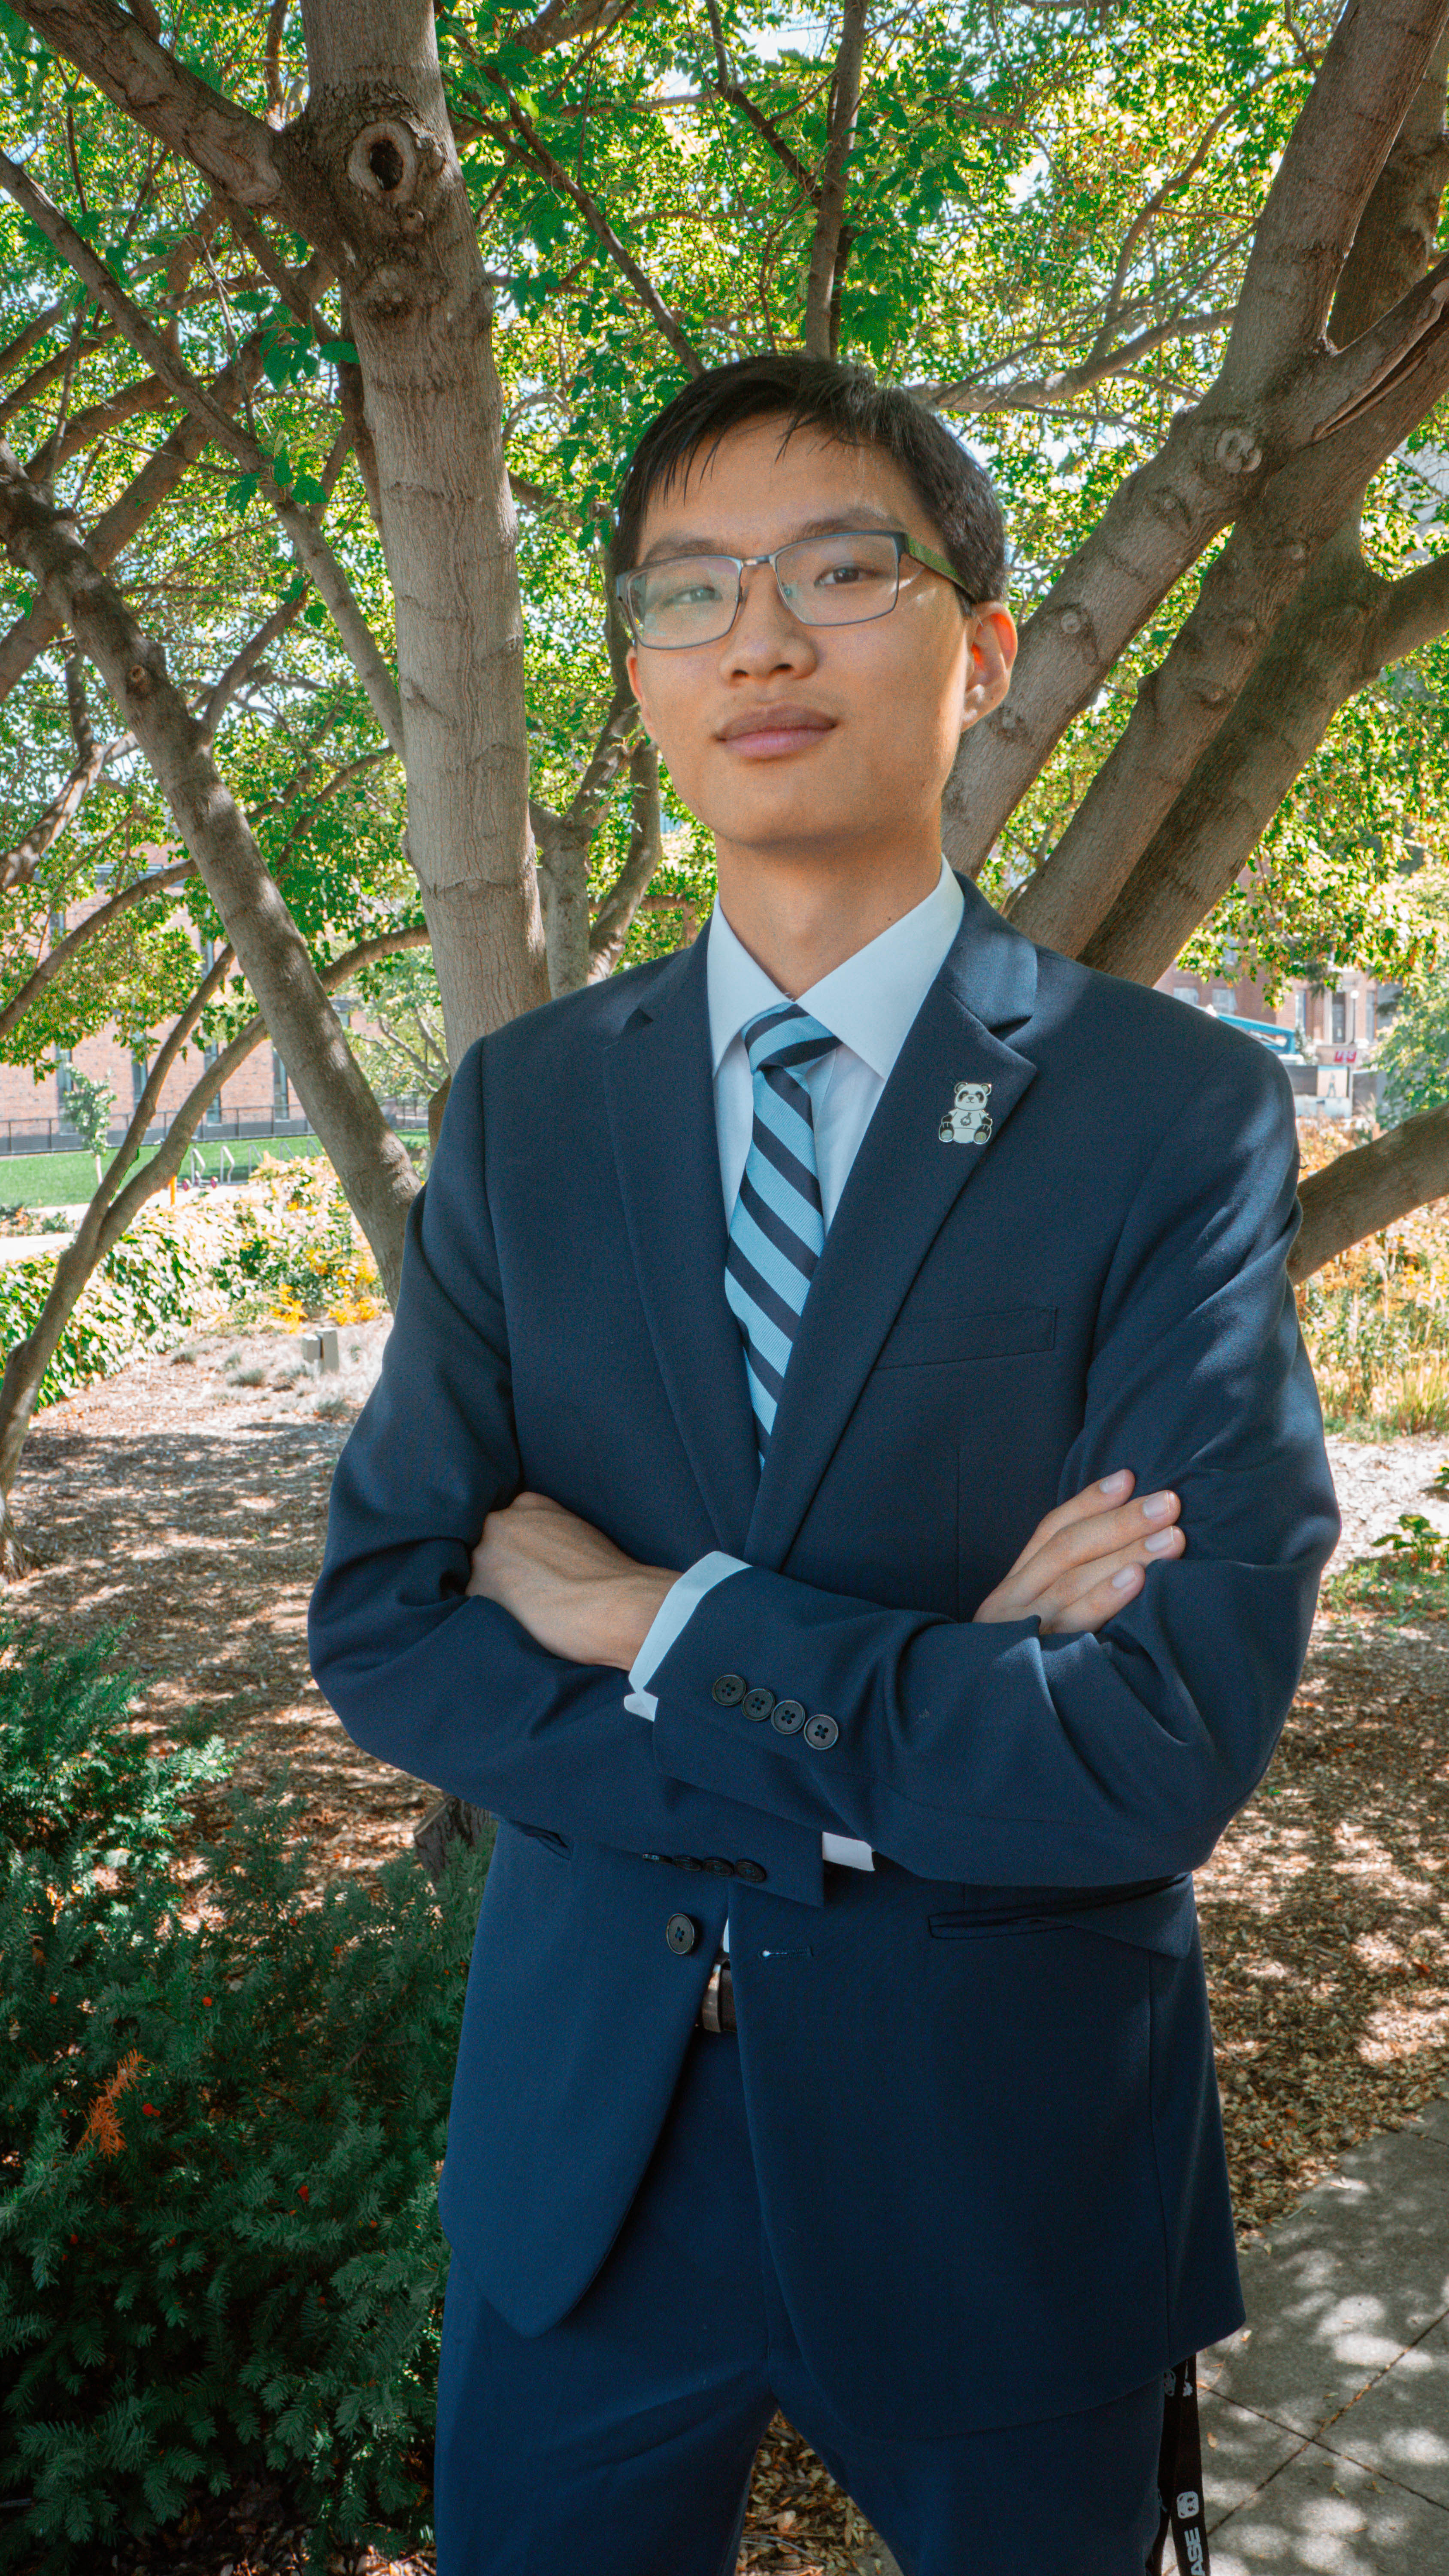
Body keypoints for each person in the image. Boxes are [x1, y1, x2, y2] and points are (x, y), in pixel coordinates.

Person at [308, 353, 1339, 2576]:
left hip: (1003, 2162)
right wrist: (921, 1705)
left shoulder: (1168, 1117)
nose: (759, 639)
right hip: (594, 2167)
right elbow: (388, 1621)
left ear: (981, 648)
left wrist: (648, 1619)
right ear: (642, 676)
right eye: (689, 592)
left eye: (839, 571)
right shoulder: (526, 1114)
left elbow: (1156, 1740)